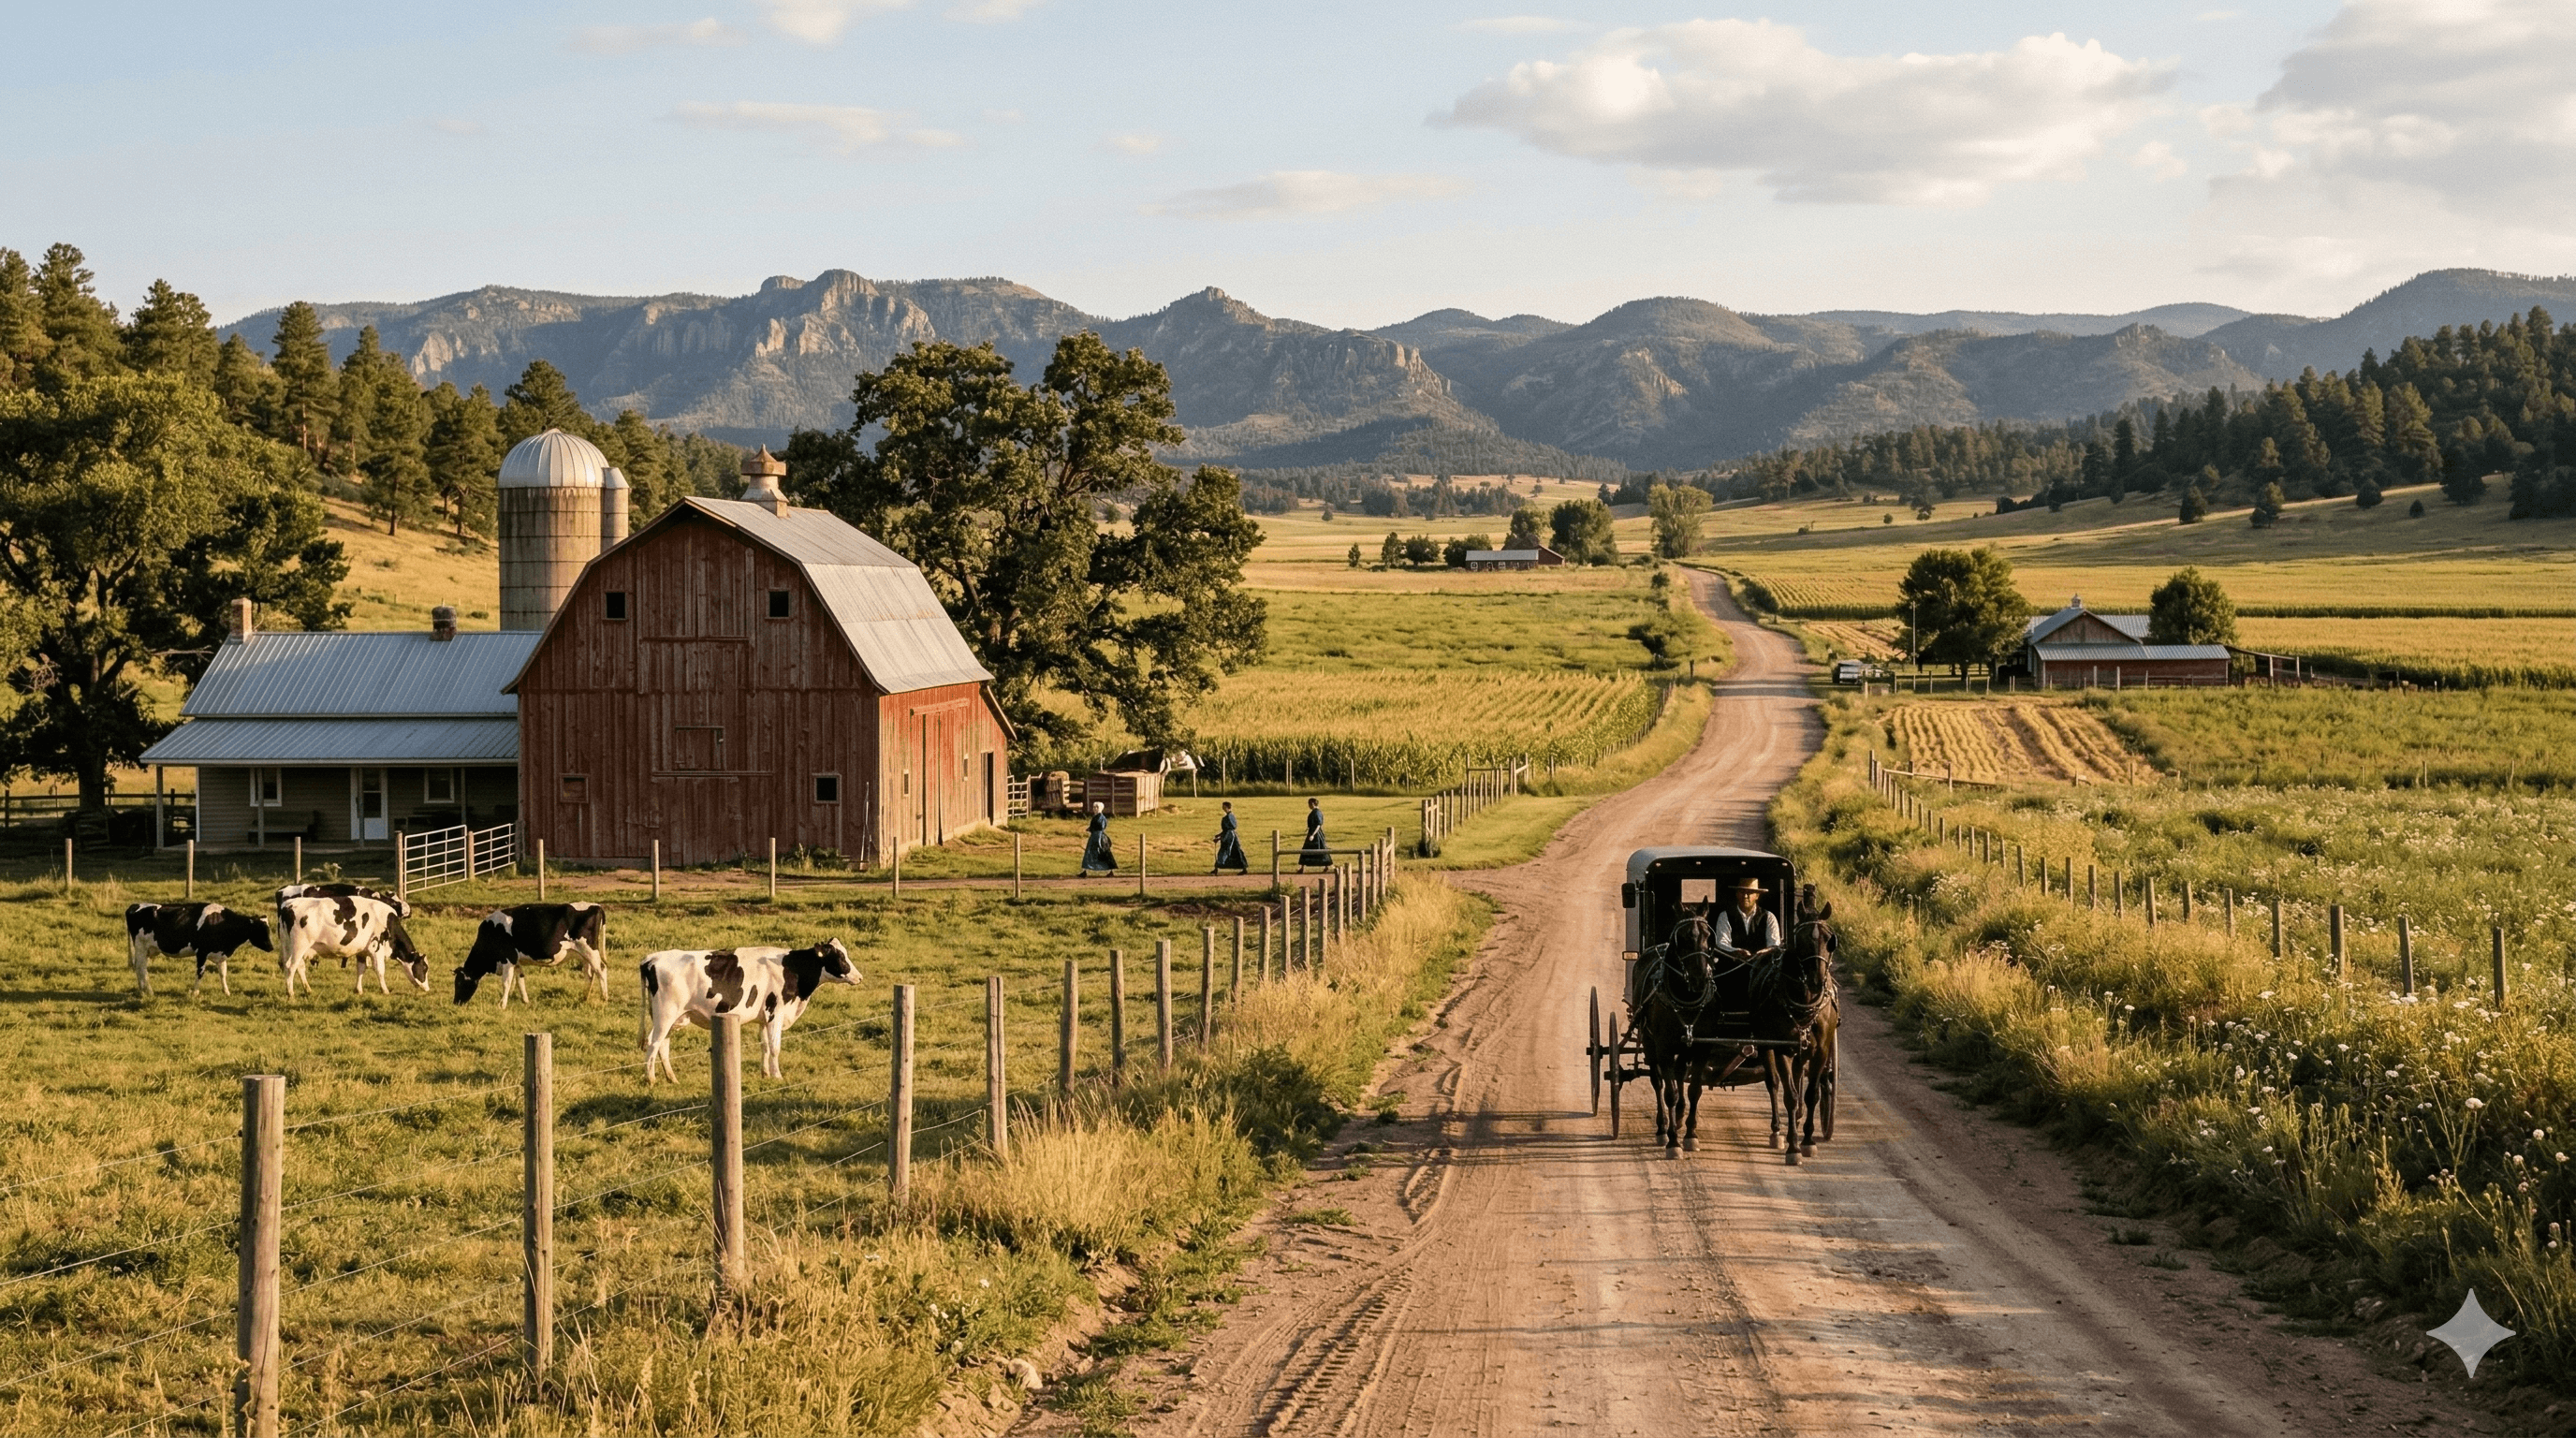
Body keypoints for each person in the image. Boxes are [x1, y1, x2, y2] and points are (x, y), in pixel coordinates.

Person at [1712, 876, 1782, 961]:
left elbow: (1774, 945)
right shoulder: (1725, 916)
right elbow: (1721, 943)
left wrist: (1764, 952)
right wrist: (1737, 951)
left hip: (1761, 970)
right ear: (1737, 894)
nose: (1745, 896)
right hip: (1732, 968)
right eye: (1742, 892)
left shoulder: (1769, 917)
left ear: (1757, 896)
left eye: (1750, 892)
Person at [1079, 800, 1118, 875]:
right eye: (1094, 807)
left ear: (1100, 808)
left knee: (1103, 853)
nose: (1095, 809)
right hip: (1094, 837)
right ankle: (1085, 871)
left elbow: (1101, 826)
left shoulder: (1101, 817)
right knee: (1089, 854)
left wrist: (1092, 829)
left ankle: (1110, 871)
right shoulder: (1095, 817)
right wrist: (1090, 829)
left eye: (1097, 807)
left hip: (1099, 837)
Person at [1211, 800, 1249, 873]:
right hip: (1230, 836)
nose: (1223, 808)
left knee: (1225, 851)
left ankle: (1217, 868)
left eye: (1224, 807)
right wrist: (1219, 835)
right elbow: (1227, 829)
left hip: (1230, 837)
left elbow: (1230, 829)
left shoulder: (1229, 817)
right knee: (1236, 851)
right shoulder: (1228, 817)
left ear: (1228, 807)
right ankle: (1243, 868)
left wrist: (1219, 837)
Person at [1298, 797, 1330, 868]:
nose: (1308, 806)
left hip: (1316, 834)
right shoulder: (1314, 812)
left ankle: (1326, 866)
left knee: (1320, 849)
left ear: (1312, 804)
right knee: (1306, 849)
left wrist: (1313, 834)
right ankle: (1302, 867)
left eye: (1309, 804)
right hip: (1311, 832)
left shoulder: (1317, 812)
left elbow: (1318, 825)